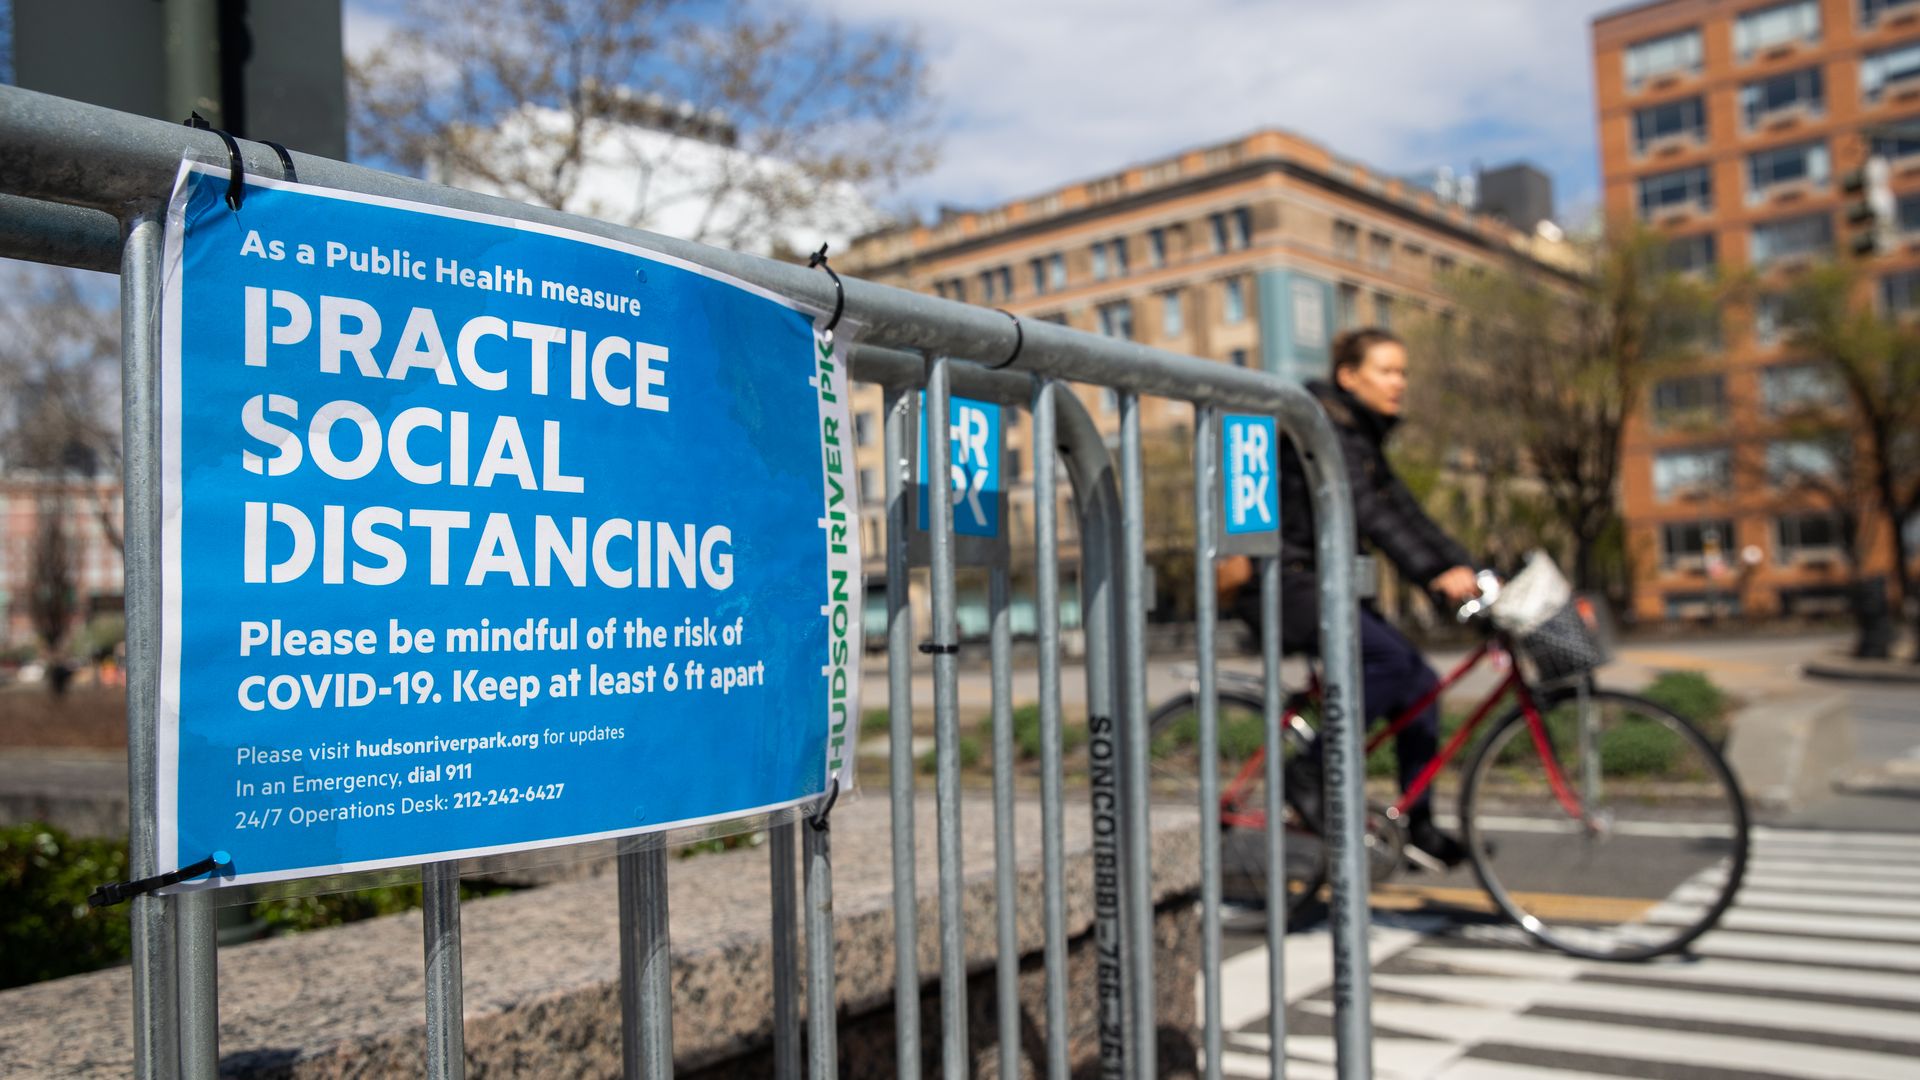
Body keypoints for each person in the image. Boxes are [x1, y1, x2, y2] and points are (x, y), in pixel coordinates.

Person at [1227, 326, 1479, 866]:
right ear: (1349, 376)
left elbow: (1405, 511)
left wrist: (1467, 567)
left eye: (1403, 372)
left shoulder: (1359, 433)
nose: (1399, 383)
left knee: (1420, 683)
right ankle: (1308, 772)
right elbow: (1372, 512)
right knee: (1387, 660)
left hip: (1324, 582)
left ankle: (1418, 823)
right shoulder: (1325, 427)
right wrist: (1435, 574)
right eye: (1387, 371)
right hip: (1284, 581)